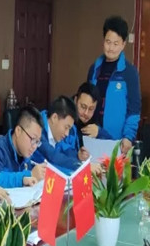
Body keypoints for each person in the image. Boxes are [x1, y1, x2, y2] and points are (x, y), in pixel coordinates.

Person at [87, 15, 141, 154]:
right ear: (103, 41)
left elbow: (134, 110)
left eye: (116, 44)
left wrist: (128, 137)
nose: (111, 48)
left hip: (118, 142)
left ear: (123, 44)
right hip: (93, 137)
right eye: (108, 42)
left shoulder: (129, 73)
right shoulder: (94, 69)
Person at [0, 106, 46, 188]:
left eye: (37, 141)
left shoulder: (25, 153)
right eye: (33, 139)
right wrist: (28, 175)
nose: (34, 146)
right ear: (18, 131)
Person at [31, 96, 88, 174]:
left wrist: (78, 156)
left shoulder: (57, 133)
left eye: (69, 128)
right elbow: (52, 157)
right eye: (66, 127)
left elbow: (65, 151)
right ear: (54, 118)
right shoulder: (37, 128)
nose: (67, 133)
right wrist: (82, 167)